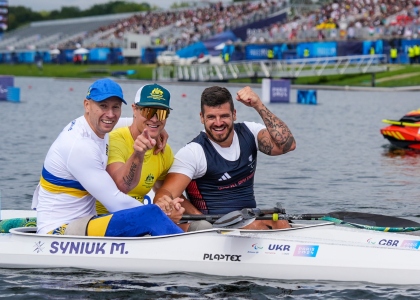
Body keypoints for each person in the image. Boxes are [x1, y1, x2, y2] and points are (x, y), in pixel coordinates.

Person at [32, 78, 183, 237]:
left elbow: (132, 122)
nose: (110, 114)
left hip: (84, 221)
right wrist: (162, 213)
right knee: (151, 215)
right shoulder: (79, 146)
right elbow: (116, 202)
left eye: (115, 107)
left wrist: (156, 129)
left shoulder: (92, 126)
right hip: (59, 231)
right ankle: (188, 251)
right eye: (103, 106)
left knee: (150, 215)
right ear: (87, 105)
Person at [154, 86, 296, 230]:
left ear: (234, 114)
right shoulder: (193, 152)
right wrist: (171, 206)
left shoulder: (250, 132)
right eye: (211, 117)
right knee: (261, 226)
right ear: (202, 117)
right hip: (214, 227)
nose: (218, 123)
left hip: (248, 219)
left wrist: (258, 105)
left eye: (224, 116)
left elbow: (287, 145)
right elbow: (165, 194)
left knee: (280, 222)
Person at [98, 83, 210, 232]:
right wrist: (138, 154)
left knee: (203, 227)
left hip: (141, 219)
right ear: (134, 109)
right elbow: (122, 187)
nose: (155, 119)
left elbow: (166, 191)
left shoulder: (163, 150)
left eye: (162, 113)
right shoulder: (115, 141)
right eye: (149, 111)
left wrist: (196, 214)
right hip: (107, 219)